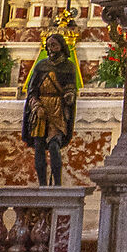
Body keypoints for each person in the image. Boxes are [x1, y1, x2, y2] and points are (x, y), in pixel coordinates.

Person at [20, 31, 80, 185]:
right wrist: (36, 106)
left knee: (54, 145)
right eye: (49, 46)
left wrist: (69, 95)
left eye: (54, 45)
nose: (51, 49)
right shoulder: (41, 65)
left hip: (57, 109)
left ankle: (57, 184)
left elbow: (71, 87)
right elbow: (32, 90)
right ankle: (42, 184)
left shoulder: (68, 66)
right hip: (40, 109)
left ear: (61, 46)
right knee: (39, 145)